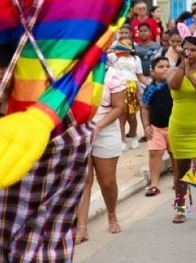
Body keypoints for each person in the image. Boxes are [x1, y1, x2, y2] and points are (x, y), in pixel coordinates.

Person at [167, 25, 196, 228]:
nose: (189, 53)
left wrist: (191, 74)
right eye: (185, 49)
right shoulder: (173, 69)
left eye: (193, 50)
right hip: (178, 127)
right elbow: (173, 85)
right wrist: (182, 67)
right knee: (180, 172)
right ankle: (180, 208)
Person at [74, 66, 128, 241]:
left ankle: (111, 214)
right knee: (84, 180)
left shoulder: (114, 75)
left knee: (107, 181)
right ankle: (82, 228)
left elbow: (119, 107)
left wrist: (97, 126)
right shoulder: (75, 71)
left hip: (106, 130)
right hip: (79, 131)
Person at [141, 56, 173, 197]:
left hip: (174, 127)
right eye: (161, 67)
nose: (165, 69)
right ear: (152, 72)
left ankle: (178, 181)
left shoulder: (174, 86)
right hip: (156, 128)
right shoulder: (150, 89)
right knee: (155, 154)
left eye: (167, 66)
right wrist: (146, 125)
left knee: (175, 155)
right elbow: (145, 108)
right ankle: (154, 184)